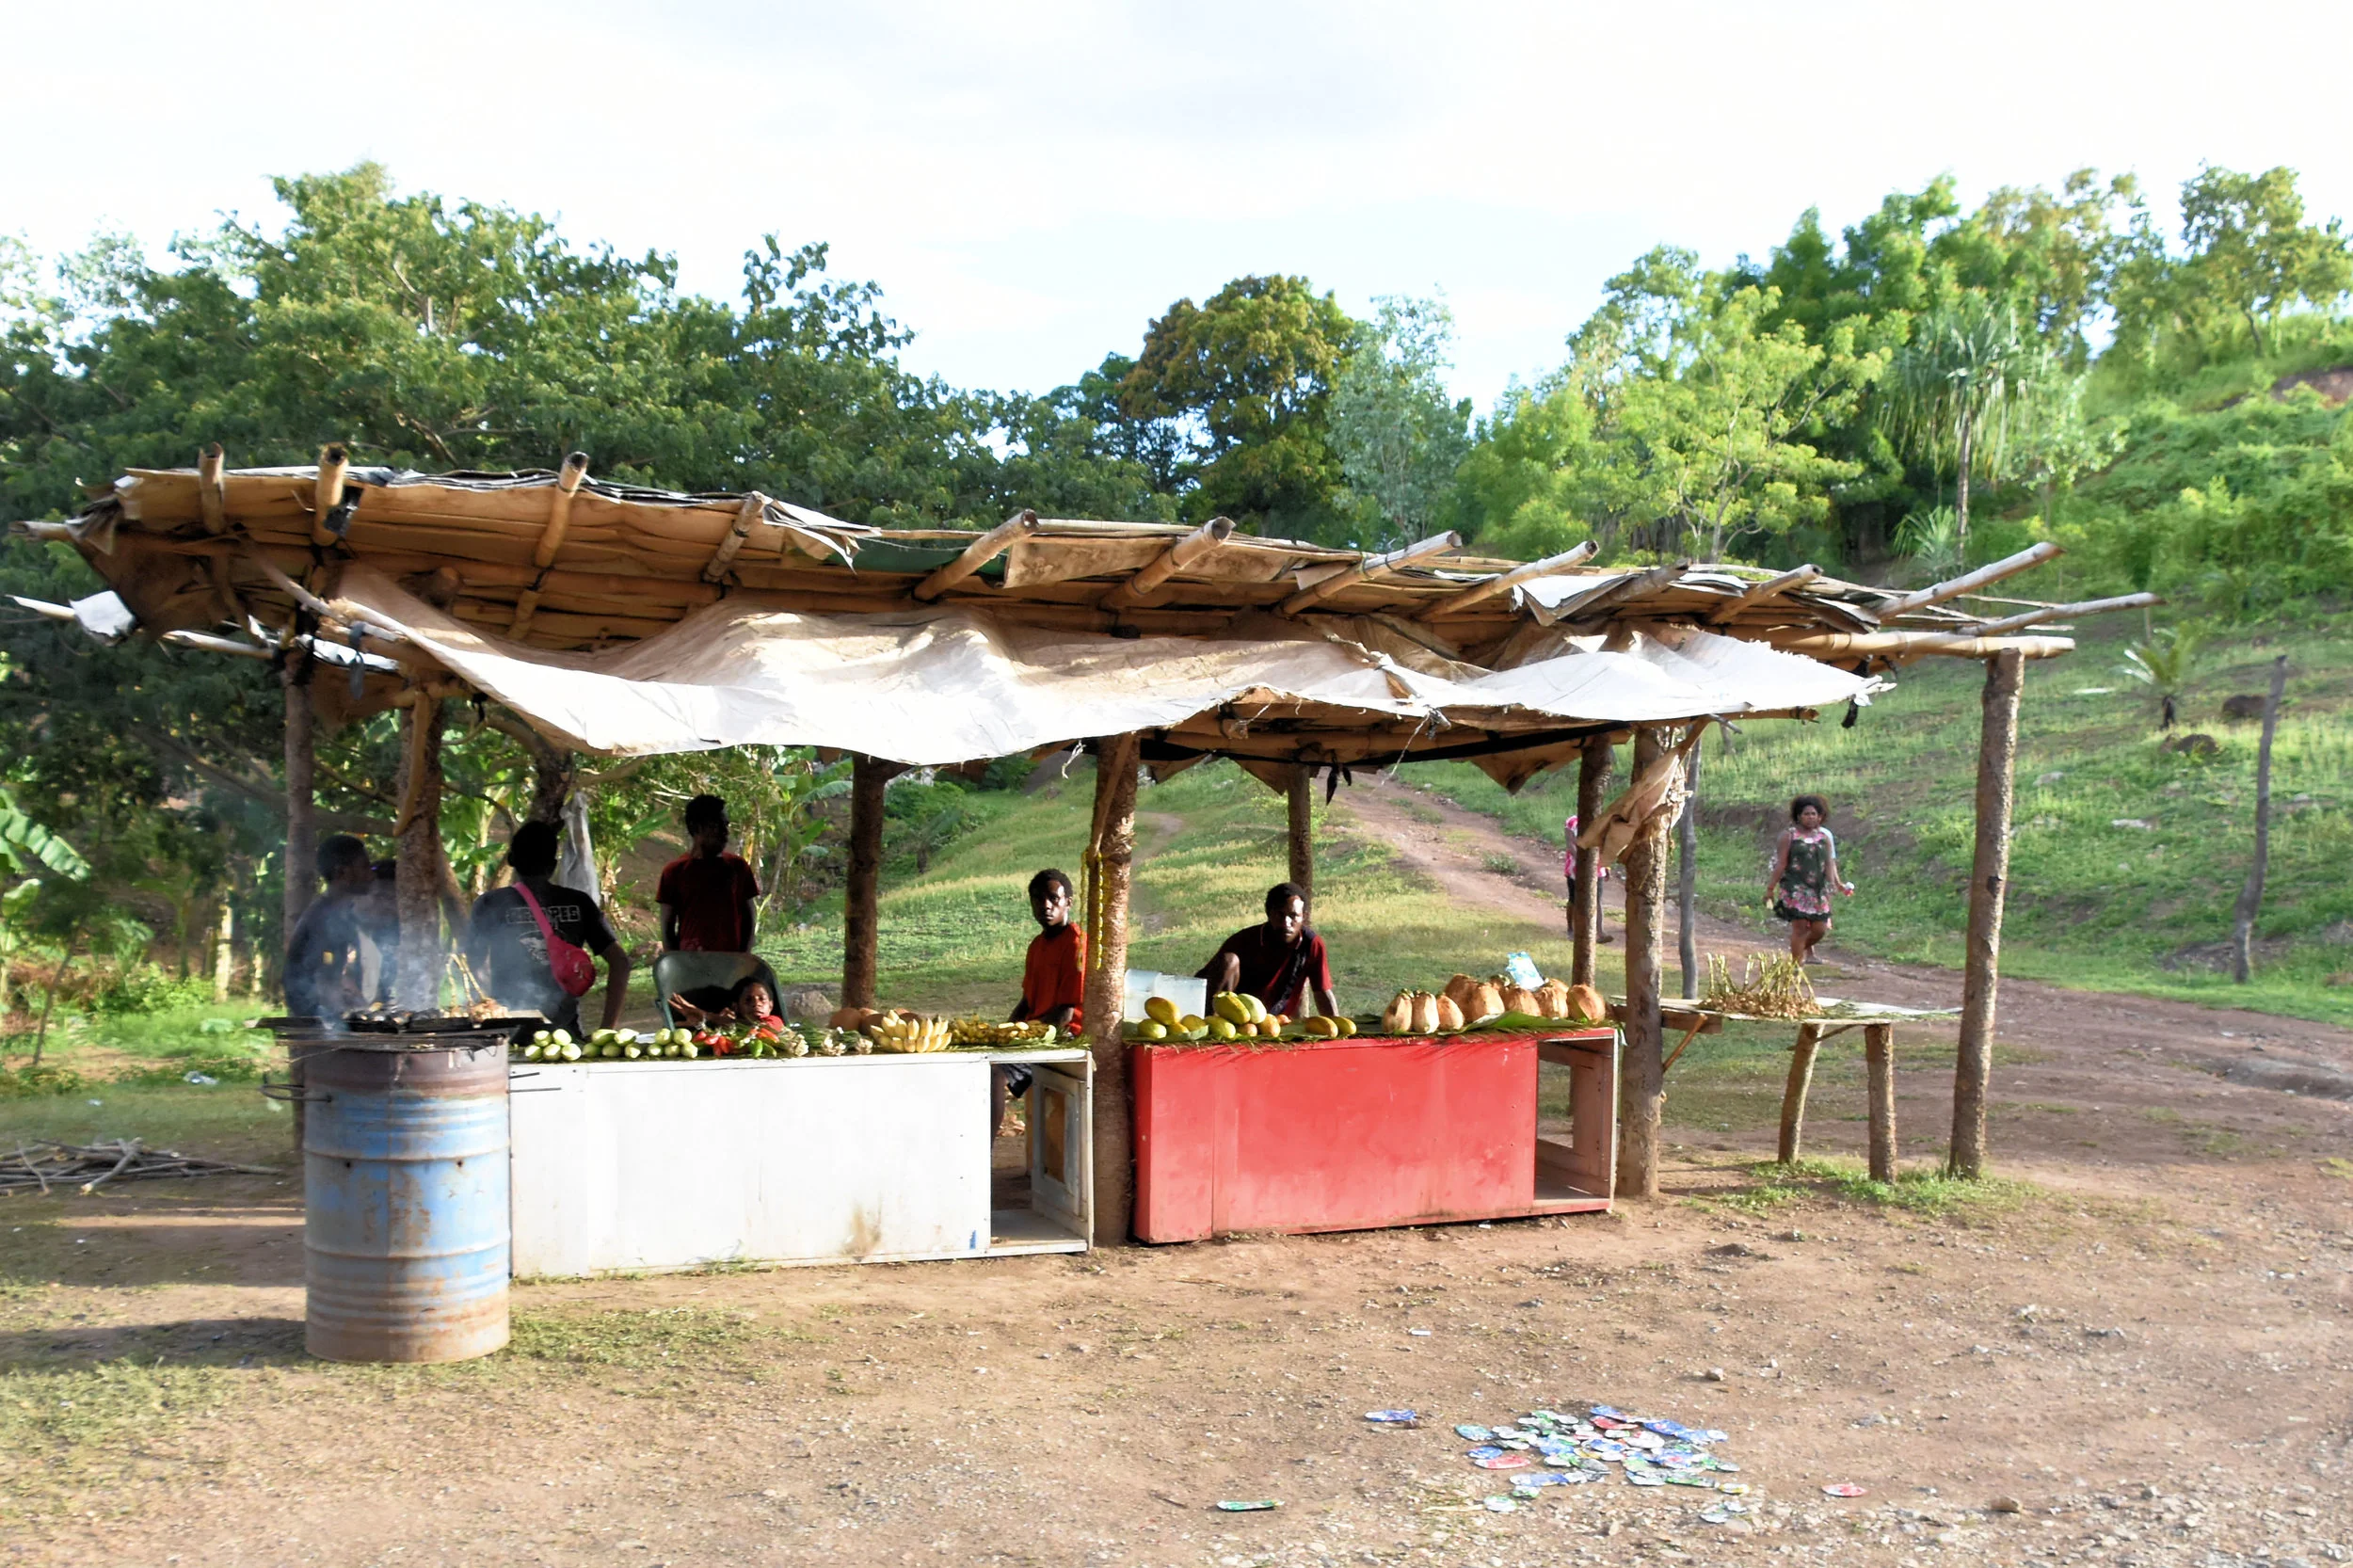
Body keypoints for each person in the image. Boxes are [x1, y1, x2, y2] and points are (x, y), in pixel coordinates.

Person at [466, 821, 632, 1034]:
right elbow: (621, 962)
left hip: (505, 1032)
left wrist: (493, 1005)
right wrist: (606, 1030)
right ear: (553, 866)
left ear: (511, 860)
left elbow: (473, 963)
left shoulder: (490, 903)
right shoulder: (579, 902)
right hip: (564, 1035)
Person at [995, 869, 1085, 1136]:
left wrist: (1023, 1038)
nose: (1045, 905)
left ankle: (984, 1155)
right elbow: (1027, 1001)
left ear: (1068, 901)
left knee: (995, 1076)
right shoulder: (1037, 946)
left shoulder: (1076, 944)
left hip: (1063, 1036)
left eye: (1053, 898)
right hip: (1034, 1031)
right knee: (982, 1064)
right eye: (1037, 899)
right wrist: (1004, 1031)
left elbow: (1066, 1012)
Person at [1197, 881, 1337, 1020]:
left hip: (1274, 1022)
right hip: (1235, 1020)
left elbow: (1322, 990)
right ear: (1268, 913)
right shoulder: (1244, 940)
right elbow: (1204, 981)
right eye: (1280, 915)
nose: (1286, 923)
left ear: (1304, 917)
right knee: (1229, 961)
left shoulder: (1311, 944)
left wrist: (1338, 1029)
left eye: (1293, 916)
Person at [283, 835, 375, 1017]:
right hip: (316, 1026)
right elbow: (320, 980)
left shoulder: (343, 914)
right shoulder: (321, 919)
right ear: (341, 873)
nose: (371, 875)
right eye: (364, 867)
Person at [657, 794, 760, 953]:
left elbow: (749, 917)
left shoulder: (738, 867)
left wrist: (744, 956)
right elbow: (667, 927)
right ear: (696, 827)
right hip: (691, 963)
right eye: (716, 826)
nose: (725, 832)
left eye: (726, 825)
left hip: (731, 963)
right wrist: (675, 964)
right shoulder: (674, 872)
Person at [1765, 794, 1854, 965]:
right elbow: (1781, 863)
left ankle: (1797, 950)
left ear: (1820, 816)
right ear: (1798, 815)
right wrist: (1770, 888)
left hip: (1817, 889)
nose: (1811, 817)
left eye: (1814, 814)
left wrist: (1835, 884)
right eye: (1807, 814)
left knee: (1819, 929)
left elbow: (1829, 863)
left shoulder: (1824, 838)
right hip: (1795, 888)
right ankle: (1796, 965)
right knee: (1799, 928)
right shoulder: (1789, 836)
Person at [1563, 812, 1612, 944]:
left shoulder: (1601, 823)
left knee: (1597, 900)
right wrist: (1583, 861)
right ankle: (1570, 929)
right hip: (1575, 867)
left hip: (1597, 867)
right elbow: (1570, 845)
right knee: (1574, 899)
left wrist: (1606, 866)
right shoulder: (1572, 822)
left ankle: (1599, 932)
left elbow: (1604, 846)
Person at [667, 975, 778, 1029]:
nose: (756, 1004)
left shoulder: (775, 1022)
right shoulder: (725, 1026)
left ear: (770, 1005)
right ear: (736, 1007)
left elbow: (763, 1027)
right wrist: (703, 1024)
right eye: (748, 1000)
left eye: (762, 999)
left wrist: (710, 1017)